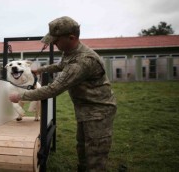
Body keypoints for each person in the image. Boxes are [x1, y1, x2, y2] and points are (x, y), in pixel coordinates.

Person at [9, 16, 117, 172]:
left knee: (95, 150)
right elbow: (60, 65)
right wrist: (40, 70)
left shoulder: (83, 61)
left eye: (55, 40)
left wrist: (20, 96)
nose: (53, 43)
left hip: (98, 109)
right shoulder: (70, 51)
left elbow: (53, 89)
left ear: (71, 37)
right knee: (82, 144)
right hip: (85, 107)